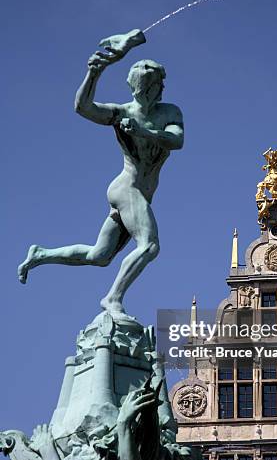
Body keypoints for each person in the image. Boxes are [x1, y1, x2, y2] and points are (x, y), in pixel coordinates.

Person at [18, 30, 184, 315]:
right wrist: (94, 73)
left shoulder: (169, 112)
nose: (155, 91)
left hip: (138, 193)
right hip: (126, 189)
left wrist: (144, 131)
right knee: (149, 246)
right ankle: (113, 299)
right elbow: (83, 107)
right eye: (149, 86)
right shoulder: (121, 113)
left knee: (99, 255)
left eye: (157, 85)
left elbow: (177, 140)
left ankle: (41, 254)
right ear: (138, 88)